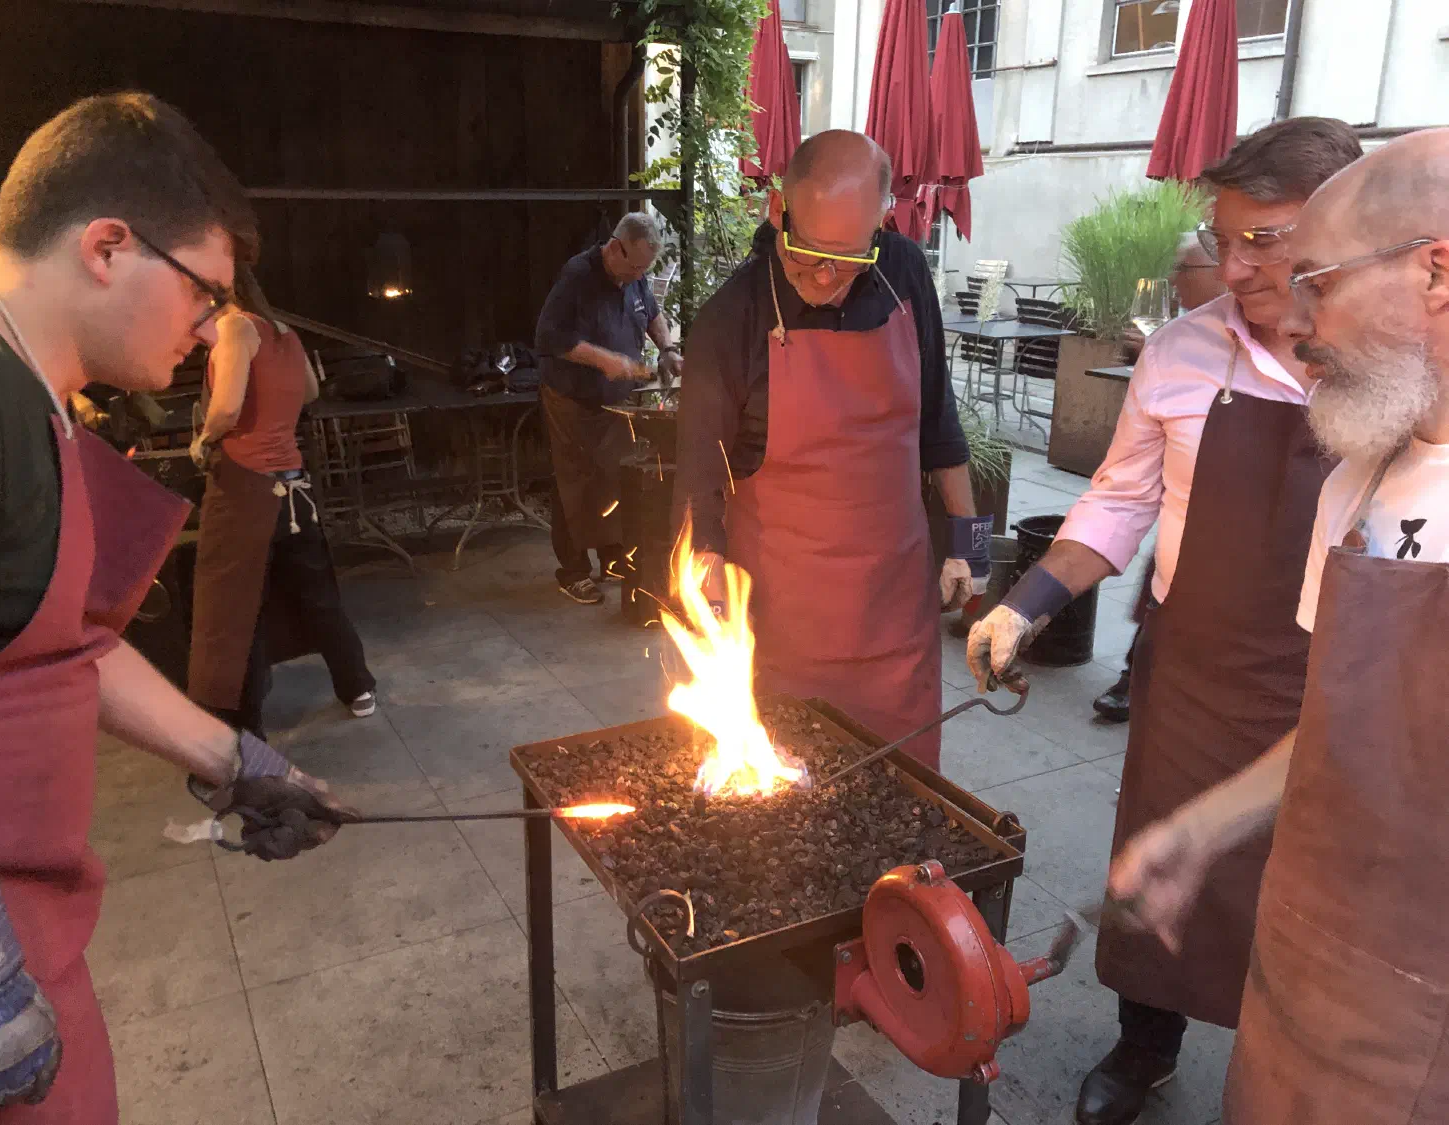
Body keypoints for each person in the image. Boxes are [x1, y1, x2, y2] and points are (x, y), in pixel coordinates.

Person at [0, 93, 352, 1122]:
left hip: (27, 926)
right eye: (206, 293)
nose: (215, 326)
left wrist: (234, 761)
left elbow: (67, 645)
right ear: (107, 247)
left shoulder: (35, 395)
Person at [966, 117, 1363, 1125]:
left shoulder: (1403, 368)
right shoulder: (1184, 354)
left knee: (1323, 900)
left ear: (1343, 230)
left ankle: (1306, 1073)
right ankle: (1146, 1046)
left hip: (1348, 685)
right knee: (1158, 869)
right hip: (1199, 672)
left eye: (1262, 241)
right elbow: (1116, 501)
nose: (1231, 267)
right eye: (1220, 240)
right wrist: (1027, 602)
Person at [1110, 127, 1449, 1125]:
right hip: (1312, 980)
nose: (1303, 322)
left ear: (1437, 271)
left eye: (1323, 280)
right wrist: (1204, 828)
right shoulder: (1359, 478)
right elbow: (1345, 725)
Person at [673, 130, 986, 770]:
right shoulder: (729, 320)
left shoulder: (903, 272)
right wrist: (704, 578)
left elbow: (938, 421)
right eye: (806, 252)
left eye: (846, 258)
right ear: (777, 213)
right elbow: (700, 476)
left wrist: (970, 544)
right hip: (786, 635)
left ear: (881, 224)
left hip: (896, 621)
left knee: (902, 804)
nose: (824, 276)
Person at [188, 265, 376, 736]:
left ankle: (243, 726)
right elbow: (310, 391)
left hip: (246, 489)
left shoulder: (235, 326)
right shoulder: (285, 333)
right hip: (294, 483)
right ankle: (357, 688)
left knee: (237, 606)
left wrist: (204, 440)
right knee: (319, 595)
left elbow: (227, 408)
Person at [1093, 233, 1229, 722]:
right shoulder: (1176, 343)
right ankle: (1136, 675)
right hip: (1183, 539)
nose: (1172, 281)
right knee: (1161, 587)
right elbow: (1124, 490)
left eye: (1182, 270)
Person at [535, 211, 682, 605]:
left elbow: (652, 314)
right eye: (634, 266)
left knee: (614, 479)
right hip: (572, 398)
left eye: (644, 269)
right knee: (576, 483)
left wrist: (666, 348)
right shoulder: (577, 277)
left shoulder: (634, 277)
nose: (639, 275)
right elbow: (550, 337)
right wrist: (604, 360)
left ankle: (612, 555)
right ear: (615, 248)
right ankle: (573, 571)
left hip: (617, 403)